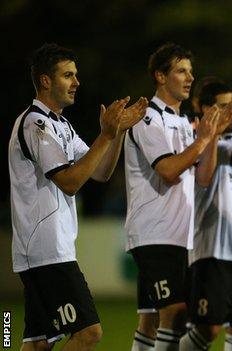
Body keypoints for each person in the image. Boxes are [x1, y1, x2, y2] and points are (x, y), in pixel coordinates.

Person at [9, 43, 147, 351]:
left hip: (46, 250)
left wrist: (118, 132)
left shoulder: (62, 125)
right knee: (88, 333)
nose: (76, 82)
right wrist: (105, 136)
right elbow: (70, 182)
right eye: (68, 75)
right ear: (46, 81)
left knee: (38, 343)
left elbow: (100, 172)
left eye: (76, 75)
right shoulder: (36, 123)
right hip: (45, 251)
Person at [124, 43, 219, 351]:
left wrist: (211, 137)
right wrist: (202, 139)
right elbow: (167, 169)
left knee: (150, 321)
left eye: (190, 71)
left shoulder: (183, 121)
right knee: (176, 314)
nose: (189, 77)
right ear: (160, 76)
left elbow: (202, 177)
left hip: (177, 236)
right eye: (181, 70)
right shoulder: (146, 118)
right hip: (154, 233)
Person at [179, 78, 232, 351]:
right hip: (211, 249)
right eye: (225, 106)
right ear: (205, 109)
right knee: (208, 328)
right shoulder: (195, 142)